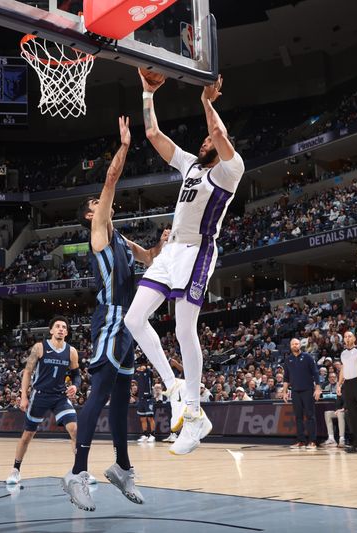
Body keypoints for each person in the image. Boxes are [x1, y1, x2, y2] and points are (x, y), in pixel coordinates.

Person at [124, 70, 245, 456]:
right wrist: (146, 94)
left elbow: (223, 136)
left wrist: (207, 102)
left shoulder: (230, 170)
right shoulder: (191, 164)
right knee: (133, 319)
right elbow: (154, 136)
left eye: (211, 136)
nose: (207, 137)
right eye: (206, 135)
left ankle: (194, 414)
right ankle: (174, 386)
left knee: (182, 327)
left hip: (198, 250)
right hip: (171, 251)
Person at [64, 117, 167, 512]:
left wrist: (159, 245)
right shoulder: (99, 234)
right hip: (110, 318)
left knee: (122, 398)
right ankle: (76, 472)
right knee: (101, 394)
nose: (101, 202)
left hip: (130, 323)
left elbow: (147, 258)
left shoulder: (121, 237)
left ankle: (122, 466)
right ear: (90, 215)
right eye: (95, 204)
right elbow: (109, 182)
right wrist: (123, 147)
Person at [6, 316, 80, 485]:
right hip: (39, 395)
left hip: (60, 396)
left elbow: (76, 375)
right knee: (28, 435)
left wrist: (75, 387)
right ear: (52, 330)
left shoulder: (71, 351)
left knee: (75, 429)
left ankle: (79, 470)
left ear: (67, 332)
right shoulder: (39, 348)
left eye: (64, 327)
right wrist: (24, 396)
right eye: (58, 326)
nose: (61, 329)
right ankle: (15, 469)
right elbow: (27, 372)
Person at [283, 338, 321, 450]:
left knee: (310, 416)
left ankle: (312, 441)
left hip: (308, 390)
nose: (295, 345)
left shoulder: (308, 357)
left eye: (297, 343)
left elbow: (315, 372)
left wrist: (318, 388)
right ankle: (301, 441)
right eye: (293, 344)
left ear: (300, 345)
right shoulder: (288, 359)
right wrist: (284, 391)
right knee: (298, 417)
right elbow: (286, 377)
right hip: (295, 391)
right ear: (290, 346)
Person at [134, 363, 156, 443]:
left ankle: (153, 435)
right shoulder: (137, 374)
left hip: (148, 399)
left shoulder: (148, 372)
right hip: (140, 399)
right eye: (140, 366)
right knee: (142, 418)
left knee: (150, 417)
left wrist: (147, 367)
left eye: (142, 365)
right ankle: (145, 435)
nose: (141, 367)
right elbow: (134, 371)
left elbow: (151, 371)